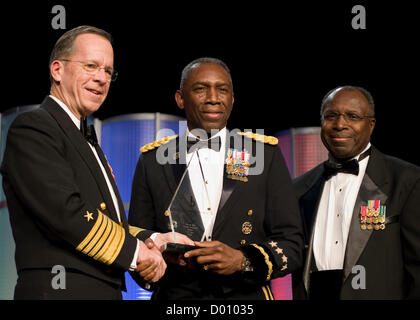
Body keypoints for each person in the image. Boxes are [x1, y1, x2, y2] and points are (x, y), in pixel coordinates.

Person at [0, 25, 166, 300]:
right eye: (90, 66)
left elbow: (106, 219)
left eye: (108, 71)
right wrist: (137, 254)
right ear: (57, 70)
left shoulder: (84, 137)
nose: (101, 78)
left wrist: (156, 239)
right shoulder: (33, 127)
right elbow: (67, 212)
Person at [128, 57, 303, 300]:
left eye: (222, 89)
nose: (213, 97)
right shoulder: (153, 160)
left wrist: (242, 261)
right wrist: (149, 265)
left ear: (232, 98)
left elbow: (292, 244)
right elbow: (137, 235)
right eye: (201, 89)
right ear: (180, 98)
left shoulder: (264, 155)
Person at [292, 85, 420, 299]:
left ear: (371, 125)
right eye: (331, 116)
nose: (340, 124)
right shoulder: (299, 188)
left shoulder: (407, 180)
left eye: (352, 116)